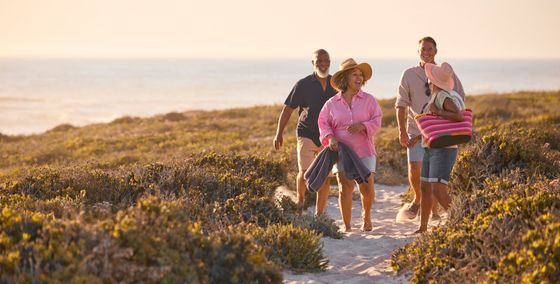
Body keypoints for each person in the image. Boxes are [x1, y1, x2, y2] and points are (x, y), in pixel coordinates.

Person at [395, 36, 465, 219]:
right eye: (422, 49)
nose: (426, 52)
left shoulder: (444, 73)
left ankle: (433, 211)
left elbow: (459, 98)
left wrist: (443, 113)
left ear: (436, 51)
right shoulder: (409, 74)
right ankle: (418, 200)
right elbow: (401, 104)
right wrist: (401, 130)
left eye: (429, 49)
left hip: (439, 132)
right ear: (418, 52)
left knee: (433, 176)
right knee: (415, 169)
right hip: (416, 130)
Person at [318, 58, 382, 232]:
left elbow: (377, 120)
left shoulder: (369, 100)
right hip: (342, 152)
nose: (359, 78)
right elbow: (323, 123)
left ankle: (366, 217)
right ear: (345, 78)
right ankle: (347, 226)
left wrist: (363, 126)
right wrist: (330, 138)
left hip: (365, 150)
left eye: (361, 75)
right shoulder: (331, 103)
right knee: (344, 187)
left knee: (366, 187)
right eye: (355, 74)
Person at [274, 49, 337, 215]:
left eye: (326, 60)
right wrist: (279, 133)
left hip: (328, 136)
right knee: (304, 172)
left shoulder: (336, 84)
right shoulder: (303, 84)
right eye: (319, 61)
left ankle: (319, 214)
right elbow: (287, 110)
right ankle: (300, 203)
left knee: (325, 176)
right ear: (313, 63)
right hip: (306, 133)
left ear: (330, 62)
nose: (323, 63)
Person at [415, 62, 466, 233]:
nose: (428, 81)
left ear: (433, 81)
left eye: (429, 79)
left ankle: (461, 223)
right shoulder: (439, 95)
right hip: (432, 147)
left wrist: (438, 112)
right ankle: (423, 227)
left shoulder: (443, 96)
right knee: (425, 187)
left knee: (438, 190)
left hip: (444, 148)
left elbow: (458, 116)